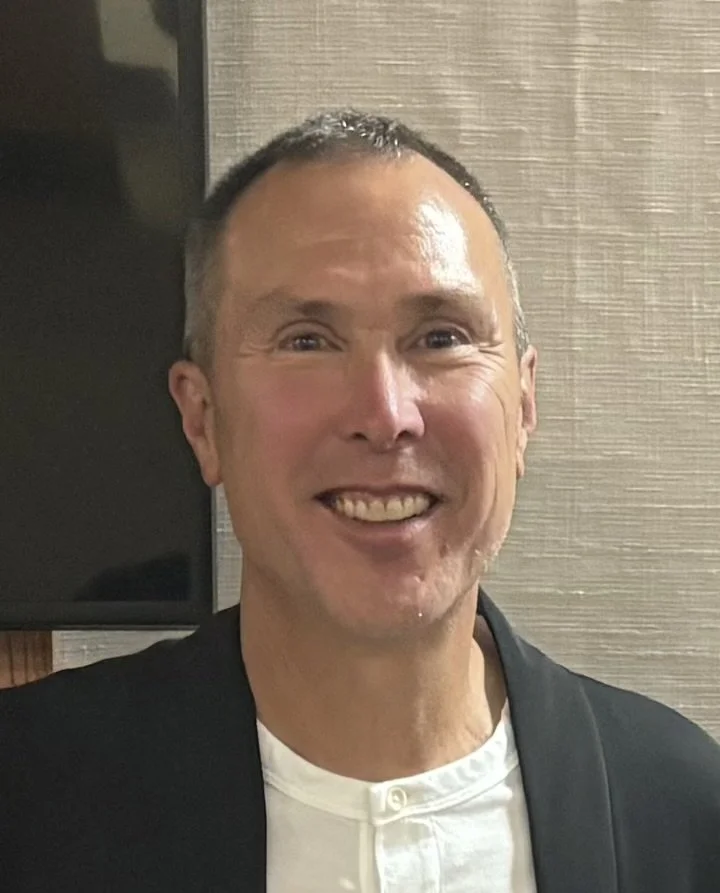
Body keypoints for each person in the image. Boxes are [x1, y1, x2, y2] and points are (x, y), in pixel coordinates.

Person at [1, 109, 719, 893]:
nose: (384, 414)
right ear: (202, 419)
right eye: (307, 340)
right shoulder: (30, 799)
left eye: (440, 336)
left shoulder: (680, 812)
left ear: (523, 408)